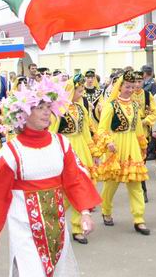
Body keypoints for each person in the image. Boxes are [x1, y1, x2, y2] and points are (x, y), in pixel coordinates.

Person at [0, 78, 101, 277]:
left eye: (48, 107)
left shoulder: (61, 143)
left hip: (57, 227)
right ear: (23, 114)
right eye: (39, 107)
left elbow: (75, 179)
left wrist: (85, 212)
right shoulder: (11, 151)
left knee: (60, 271)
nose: (46, 112)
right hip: (24, 228)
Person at [96, 71, 151, 235]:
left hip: (132, 146)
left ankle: (139, 219)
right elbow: (102, 128)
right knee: (111, 185)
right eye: (127, 86)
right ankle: (106, 211)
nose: (130, 89)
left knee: (135, 184)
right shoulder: (111, 105)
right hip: (116, 147)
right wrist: (108, 142)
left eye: (133, 87)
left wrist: (142, 146)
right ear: (119, 87)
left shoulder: (134, 105)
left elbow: (138, 128)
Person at [50, 74, 100, 245]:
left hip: (81, 148)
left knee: (80, 188)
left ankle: (78, 228)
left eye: (82, 91)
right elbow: (52, 132)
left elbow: (86, 131)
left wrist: (93, 151)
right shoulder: (58, 110)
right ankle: (55, 225)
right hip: (65, 148)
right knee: (63, 191)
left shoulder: (80, 109)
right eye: (79, 91)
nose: (81, 94)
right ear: (70, 91)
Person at [133, 70, 156, 201]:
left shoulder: (148, 95)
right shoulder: (128, 95)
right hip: (130, 133)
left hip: (143, 133)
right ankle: (135, 188)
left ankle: (143, 189)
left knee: (142, 162)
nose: (137, 84)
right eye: (135, 81)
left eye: (139, 81)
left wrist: (145, 121)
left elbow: (154, 113)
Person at [81, 70, 102, 135]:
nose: (90, 79)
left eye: (92, 78)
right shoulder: (81, 91)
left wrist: (101, 107)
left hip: (96, 118)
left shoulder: (99, 92)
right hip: (85, 117)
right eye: (88, 78)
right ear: (85, 78)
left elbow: (102, 103)